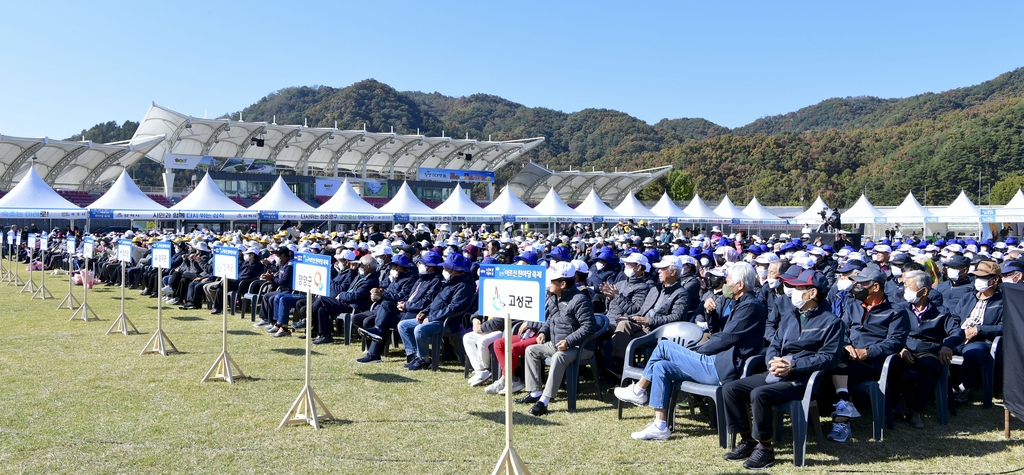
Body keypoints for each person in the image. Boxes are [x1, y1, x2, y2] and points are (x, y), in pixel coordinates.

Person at [614, 263, 767, 440]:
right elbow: (719, 332)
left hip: (723, 367)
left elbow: (726, 338)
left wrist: (697, 351)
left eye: (728, 280)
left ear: (739, 285)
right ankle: (660, 425)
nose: (725, 283)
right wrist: (711, 313)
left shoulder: (750, 307)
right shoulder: (737, 302)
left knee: (664, 347)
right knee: (661, 367)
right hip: (718, 361)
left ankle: (639, 390)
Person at [722, 269, 844, 469]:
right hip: (777, 372)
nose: (792, 291)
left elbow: (829, 358)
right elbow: (775, 345)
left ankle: (765, 449)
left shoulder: (832, 322)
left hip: (802, 381)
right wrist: (773, 362)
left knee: (760, 394)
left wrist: (793, 366)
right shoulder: (790, 316)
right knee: (731, 389)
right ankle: (747, 440)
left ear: (812, 293)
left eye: (798, 288)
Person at [827, 267, 909, 443]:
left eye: (862, 283)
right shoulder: (853, 305)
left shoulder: (896, 311)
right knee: (828, 359)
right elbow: (841, 330)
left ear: (876, 287)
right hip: (848, 356)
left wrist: (868, 352)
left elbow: (895, 342)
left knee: (835, 366)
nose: (856, 286)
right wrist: (846, 345)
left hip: (873, 363)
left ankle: (842, 423)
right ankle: (843, 404)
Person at [515, 261, 598, 416]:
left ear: (563, 283)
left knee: (559, 357)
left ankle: (544, 401)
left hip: (581, 348)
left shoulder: (580, 300)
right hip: (557, 342)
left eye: (552, 281)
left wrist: (569, 341)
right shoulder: (554, 296)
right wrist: (543, 332)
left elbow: (589, 327)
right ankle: (535, 393)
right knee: (531, 350)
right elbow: (551, 319)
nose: (548, 284)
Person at [896, 270, 963, 429]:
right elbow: (890, 333)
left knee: (929, 367)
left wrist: (948, 345)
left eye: (908, 287)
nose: (905, 291)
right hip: (904, 348)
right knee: (890, 364)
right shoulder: (900, 309)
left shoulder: (941, 312)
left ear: (924, 291)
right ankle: (894, 408)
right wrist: (901, 349)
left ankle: (916, 411)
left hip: (928, 351)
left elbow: (957, 332)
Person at [609, 255, 698, 367]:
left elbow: (677, 317)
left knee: (623, 336)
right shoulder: (655, 288)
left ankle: (621, 366)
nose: (659, 271)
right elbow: (643, 311)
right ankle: (618, 363)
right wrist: (630, 318)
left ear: (673, 272)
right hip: (642, 325)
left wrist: (649, 321)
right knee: (623, 324)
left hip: (657, 331)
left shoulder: (681, 293)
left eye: (663, 269)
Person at [399, 254, 476, 370]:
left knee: (420, 330)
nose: (443, 270)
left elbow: (453, 308)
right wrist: (425, 312)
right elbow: (436, 301)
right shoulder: (450, 282)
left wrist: (431, 318)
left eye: (446, 267)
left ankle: (424, 360)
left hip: (448, 322)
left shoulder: (464, 286)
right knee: (403, 325)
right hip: (436, 318)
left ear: (454, 270)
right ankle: (416, 356)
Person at [951, 259, 1004, 402]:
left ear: (995, 280)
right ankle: (944, 387)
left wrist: (978, 330)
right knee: (938, 349)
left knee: (972, 354)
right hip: (960, 335)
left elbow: (1004, 326)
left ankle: (963, 388)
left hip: (982, 340)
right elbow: (955, 317)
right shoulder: (968, 296)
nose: (978, 280)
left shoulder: (1002, 301)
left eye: (983, 278)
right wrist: (957, 332)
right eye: (977, 277)